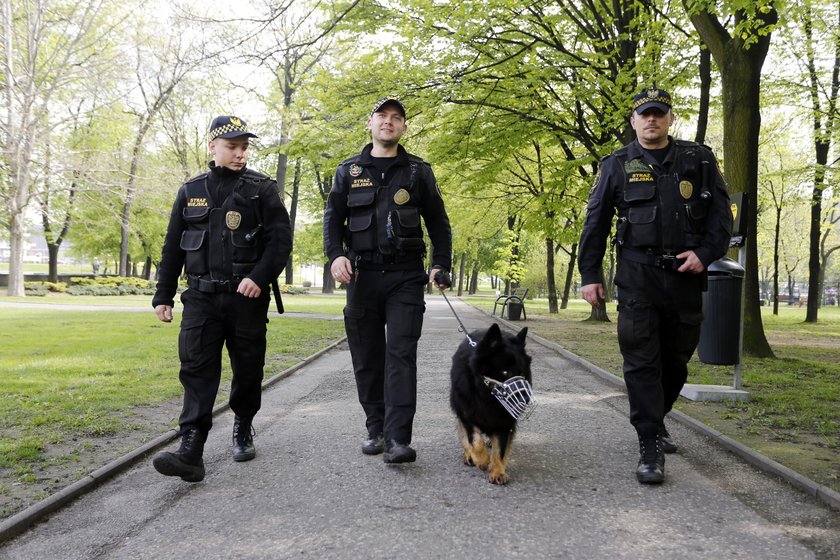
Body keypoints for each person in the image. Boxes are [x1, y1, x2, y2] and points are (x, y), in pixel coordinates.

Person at [578, 88, 732, 484]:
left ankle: (657, 417)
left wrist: (706, 253)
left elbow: (720, 214)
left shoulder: (698, 159)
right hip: (637, 276)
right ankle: (648, 443)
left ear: (670, 118)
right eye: (644, 114)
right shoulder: (616, 164)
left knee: (676, 362)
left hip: (685, 275)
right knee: (641, 361)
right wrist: (589, 276)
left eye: (659, 114)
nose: (652, 120)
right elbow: (594, 223)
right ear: (634, 120)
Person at [151, 115, 292, 482]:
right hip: (200, 297)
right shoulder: (191, 190)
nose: (240, 153)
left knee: (248, 368)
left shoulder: (261, 189)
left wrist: (259, 278)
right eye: (232, 146)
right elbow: (172, 248)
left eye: (245, 146)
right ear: (212, 146)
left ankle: (243, 424)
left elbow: (280, 243)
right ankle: (191, 449)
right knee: (196, 369)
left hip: (246, 299)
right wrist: (163, 295)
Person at [323, 96, 452, 464]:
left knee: (401, 355)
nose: (389, 122)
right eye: (382, 116)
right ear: (370, 122)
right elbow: (332, 219)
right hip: (361, 276)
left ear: (404, 128)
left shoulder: (417, 172)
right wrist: (336, 256)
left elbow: (438, 223)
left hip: (405, 277)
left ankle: (398, 438)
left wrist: (440, 263)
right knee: (367, 357)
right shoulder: (347, 172)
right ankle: (375, 427)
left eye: (396, 118)